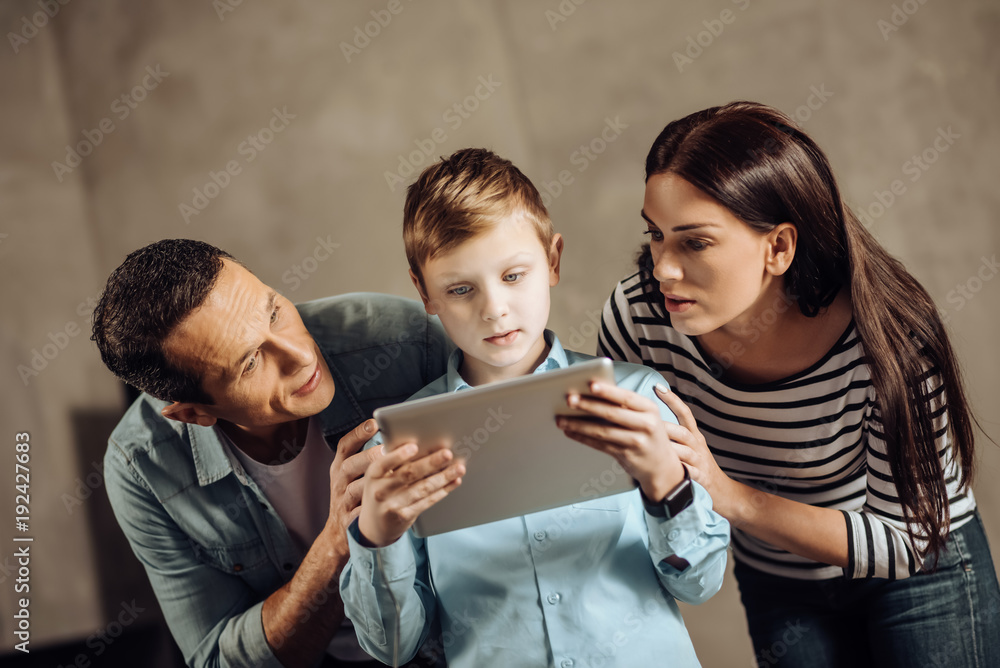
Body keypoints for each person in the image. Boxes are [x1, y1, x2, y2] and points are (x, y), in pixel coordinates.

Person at [572, 101, 1000, 667]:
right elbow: (621, 488)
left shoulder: (889, 342)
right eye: (656, 235)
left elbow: (908, 541)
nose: (663, 269)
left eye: (695, 243)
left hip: (921, 574)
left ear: (778, 247)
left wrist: (728, 496)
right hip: (779, 579)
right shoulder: (639, 320)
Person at [339, 148, 731, 668]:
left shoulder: (638, 398)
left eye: (513, 276)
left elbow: (701, 584)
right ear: (424, 292)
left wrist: (666, 485)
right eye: (460, 289)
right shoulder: (396, 450)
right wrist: (377, 538)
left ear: (552, 260)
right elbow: (392, 648)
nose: (494, 308)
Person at [93, 239, 450, 668]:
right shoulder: (141, 467)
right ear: (193, 412)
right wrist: (338, 543)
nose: (301, 356)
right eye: (250, 362)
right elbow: (215, 659)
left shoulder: (409, 342)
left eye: (275, 312)